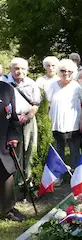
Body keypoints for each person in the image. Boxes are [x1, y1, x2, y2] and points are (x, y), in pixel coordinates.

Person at [5, 58, 41, 189]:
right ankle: (11, 184)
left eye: (22, 68)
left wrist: (27, 116)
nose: (19, 71)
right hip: (8, 123)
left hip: (28, 121)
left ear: (27, 70)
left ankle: (27, 182)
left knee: (29, 150)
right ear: (11, 69)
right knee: (11, 153)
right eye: (16, 68)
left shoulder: (32, 84)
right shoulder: (4, 83)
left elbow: (36, 104)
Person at [46, 59, 82, 170]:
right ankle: (58, 173)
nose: (66, 73)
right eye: (63, 70)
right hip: (56, 123)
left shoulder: (77, 86)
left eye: (69, 71)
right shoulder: (52, 85)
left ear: (74, 72)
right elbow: (47, 103)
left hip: (73, 123)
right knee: (58, 149)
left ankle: (76, 176)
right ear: (58, 71)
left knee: (74, 150)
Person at [0, 81, 25, 221]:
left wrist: (13, 136)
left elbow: (12, 117)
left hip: (3, 143)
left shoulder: (6, 88)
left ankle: (7, 209)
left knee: (6, 174)